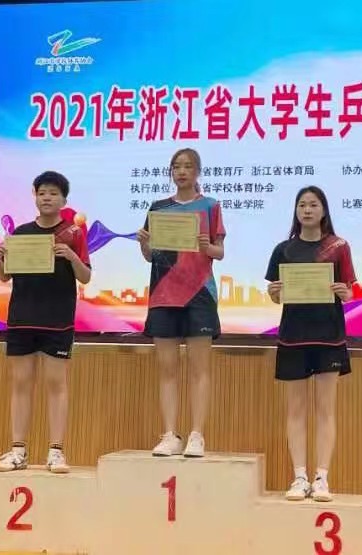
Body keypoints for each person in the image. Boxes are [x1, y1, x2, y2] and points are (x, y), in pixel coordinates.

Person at [0, 171, 91, 473]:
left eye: (54, 193)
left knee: (56, 384)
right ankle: (17, 450)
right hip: (22, 318)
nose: (47, 198)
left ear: (64, 199)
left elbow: (86, 276)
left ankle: (56, 451)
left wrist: (71, 256)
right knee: (21, 384)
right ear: (35, 196)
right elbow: (5, 276)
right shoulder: (21, 234)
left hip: (57, 320)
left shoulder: (74, 234)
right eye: (42, 192)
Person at [265, 186, 356, 501]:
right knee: (296, 410)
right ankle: (299, 477)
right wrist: (274, 293)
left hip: (329, 336)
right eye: (302, 204)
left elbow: (350, 292)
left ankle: (322, 478)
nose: (307, 210)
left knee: (326, 410)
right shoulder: (284, 250)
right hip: (293, 336)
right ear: (296, 210)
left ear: (324, 210)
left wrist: (345, 293)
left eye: (313, 204)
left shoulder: (338, 247)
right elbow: (275, 295)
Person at [137, 148, 226, 458]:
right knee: (167, 369)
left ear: (197, 171)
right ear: (171, 172)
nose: (182, 171)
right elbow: (150, 255)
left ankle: (197, 434)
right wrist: (144, 244)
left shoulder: (210, 206)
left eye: (188, 166)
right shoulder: (158, 208)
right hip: (164, 293)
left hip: (200, 294)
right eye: (176, 167)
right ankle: (170, 434)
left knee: (199, 369)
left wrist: (207, 246)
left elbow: (219, 252)